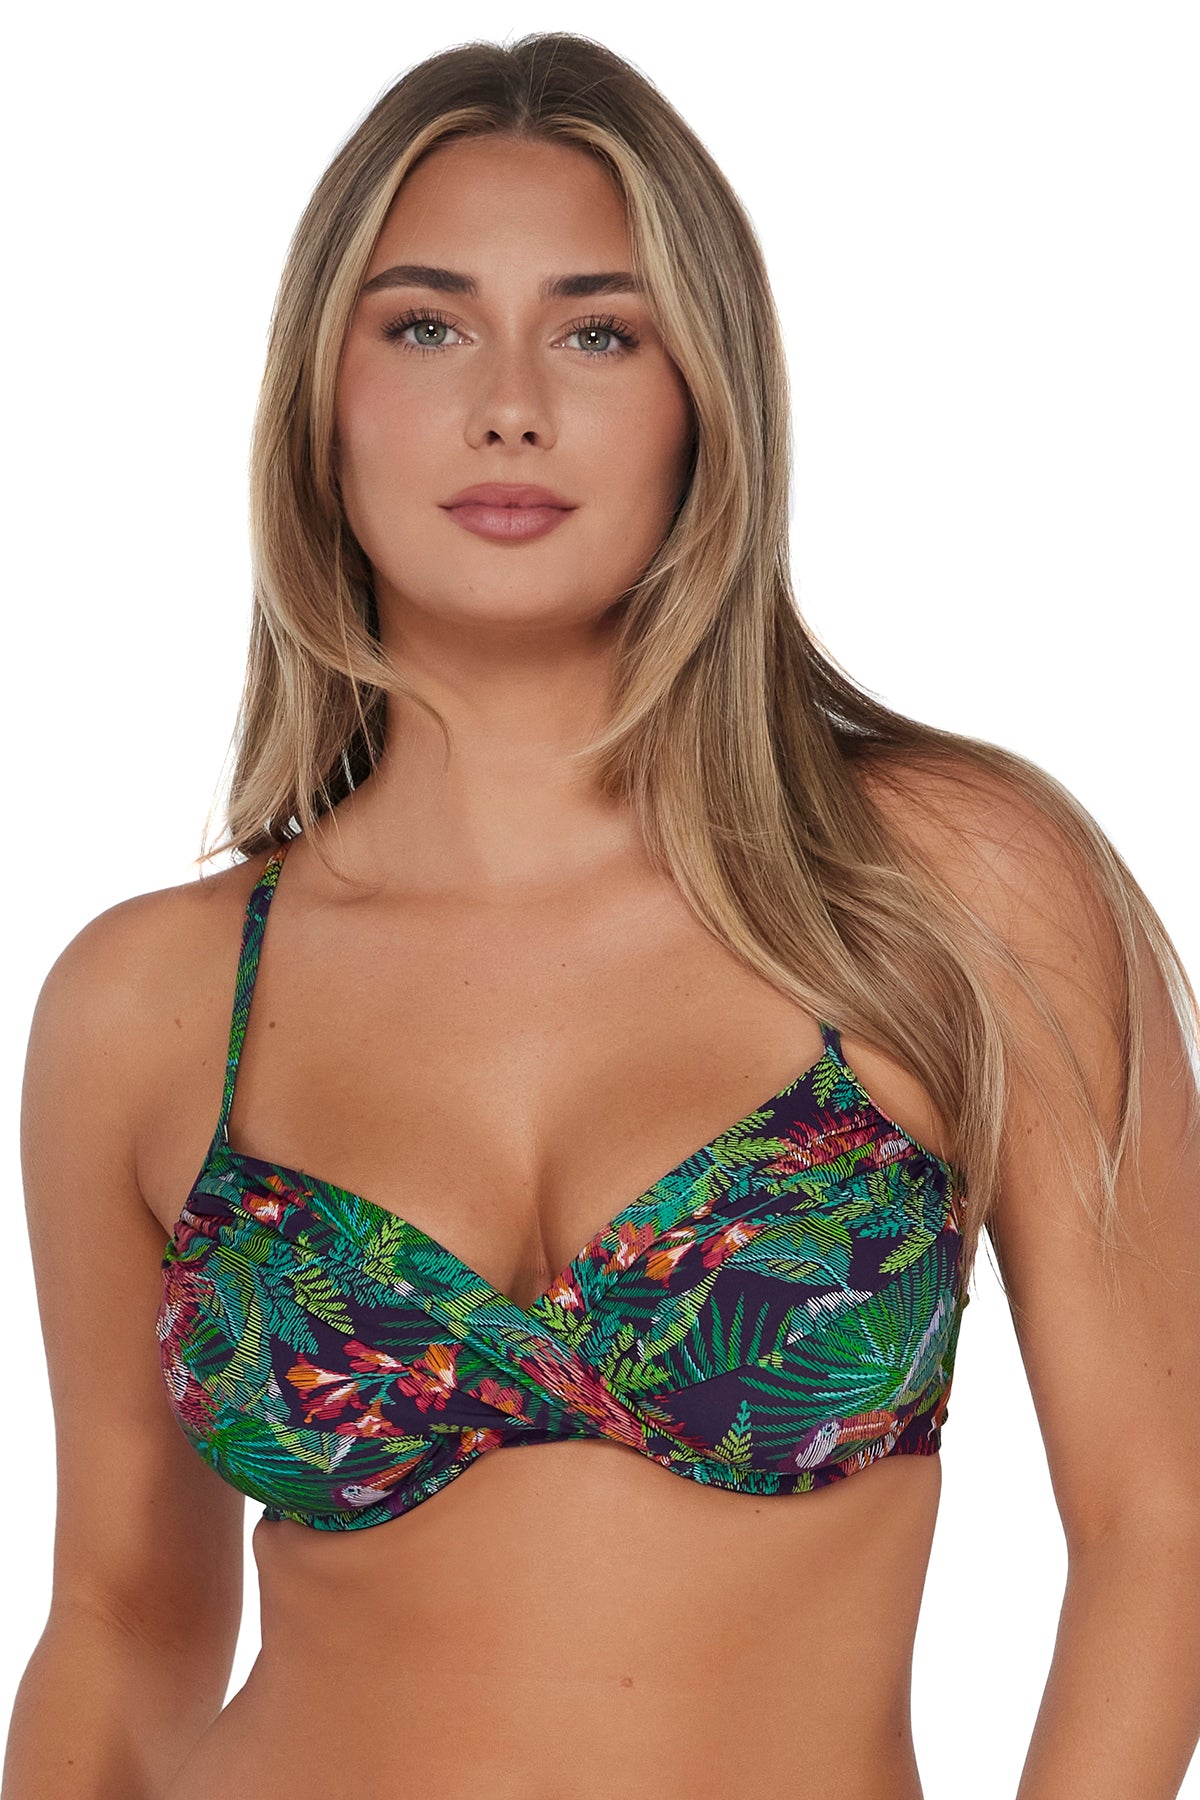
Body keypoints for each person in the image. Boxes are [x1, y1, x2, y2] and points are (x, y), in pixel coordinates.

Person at [5, 30, 1199, 1800]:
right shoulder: (147, 1000)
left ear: (705, 395)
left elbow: (1160, 1528)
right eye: (425, 327)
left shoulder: (945, 884)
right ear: (320, 400)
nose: (510, 406)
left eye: (598, 332)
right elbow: (123, 1622)